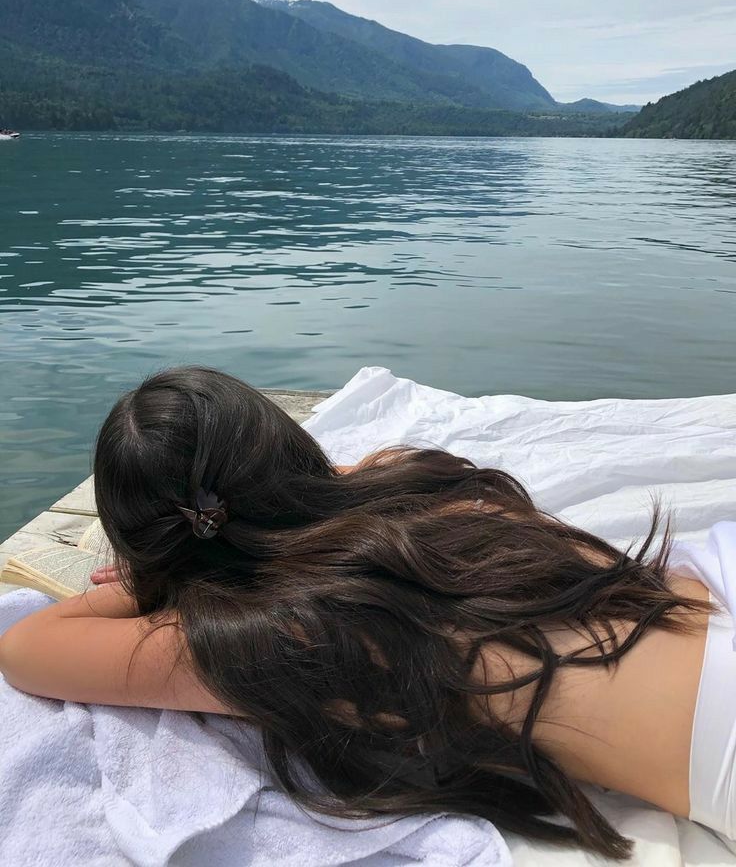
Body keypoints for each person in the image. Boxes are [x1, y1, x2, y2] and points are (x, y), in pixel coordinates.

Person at [0, 366, 727, 860]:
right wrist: (299, 494)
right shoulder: (431, 490)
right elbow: (359, 470)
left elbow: (28, 644)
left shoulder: (271, 637)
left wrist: (153, 579)